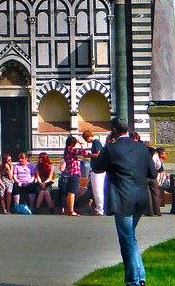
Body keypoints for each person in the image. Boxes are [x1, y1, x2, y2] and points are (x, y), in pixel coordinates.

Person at [91, 117, 157, 286]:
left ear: (113, 130)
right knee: (131, 237)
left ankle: (133, 281)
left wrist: (106, 145)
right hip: (140, 198)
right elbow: (152, 174)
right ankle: (140, 275)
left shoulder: (112, 149)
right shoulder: (142, 148)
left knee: (126, 240)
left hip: (122, 198)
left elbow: (97, 167)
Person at [60, 136, 87, 216]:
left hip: (69, 173)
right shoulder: (72, 150)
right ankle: (71, 210)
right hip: (74, 172)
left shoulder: (66, 150)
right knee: (72, 192)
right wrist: (82, 145)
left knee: (69, 192)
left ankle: (69, 209)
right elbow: (84, 153)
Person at [84, 130, 106, 215]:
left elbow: (98, 154)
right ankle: (99, 209)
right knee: (97, 191)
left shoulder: (96, 143)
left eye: (86, 139)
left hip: (98, 171)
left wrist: (89, 155)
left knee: (98, 191)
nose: (86, 141)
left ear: (89, 136)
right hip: (97, 170)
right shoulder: (95, 143)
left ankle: (100, 210)